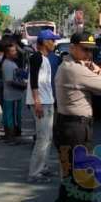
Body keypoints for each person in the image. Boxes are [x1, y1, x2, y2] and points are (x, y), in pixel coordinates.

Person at [52, 32, 101, 202]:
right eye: (85, 49)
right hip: (76, 129)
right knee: (85, 180)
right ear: (72, 48)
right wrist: (98, 70)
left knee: (69, 176)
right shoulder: (75, 70)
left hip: (67, 126)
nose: (89, 54)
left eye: (91, 50)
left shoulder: (65, 65)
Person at [26, 29, 60, 181]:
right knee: (42, 138)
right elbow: (33, 80)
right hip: (41, 103)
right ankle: (34, 173)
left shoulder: (46, 58)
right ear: (45, 42)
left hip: (48, 101)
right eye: (52, 40)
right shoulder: (36, 57)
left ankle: (43, 167)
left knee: (48, 138)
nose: (54, 43)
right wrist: (37, 101)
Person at [1, 40, 26, 144]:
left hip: (12, 95)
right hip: (12, 96)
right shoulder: (7, 65)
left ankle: (9, 136)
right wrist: (24, 86)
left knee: (9, 116)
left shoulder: (11, 63)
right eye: (12, 51)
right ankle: (11, 138)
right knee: (11, 117)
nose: (15, 53)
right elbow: (10, 82)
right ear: (7, 54)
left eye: (15, 50)